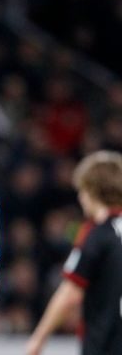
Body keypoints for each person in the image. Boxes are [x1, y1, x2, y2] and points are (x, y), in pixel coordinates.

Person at [26, 151, 122, 355]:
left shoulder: (96, 234)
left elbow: (70, 293)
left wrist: (38, 338)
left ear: (91, 191)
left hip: (106, 343)